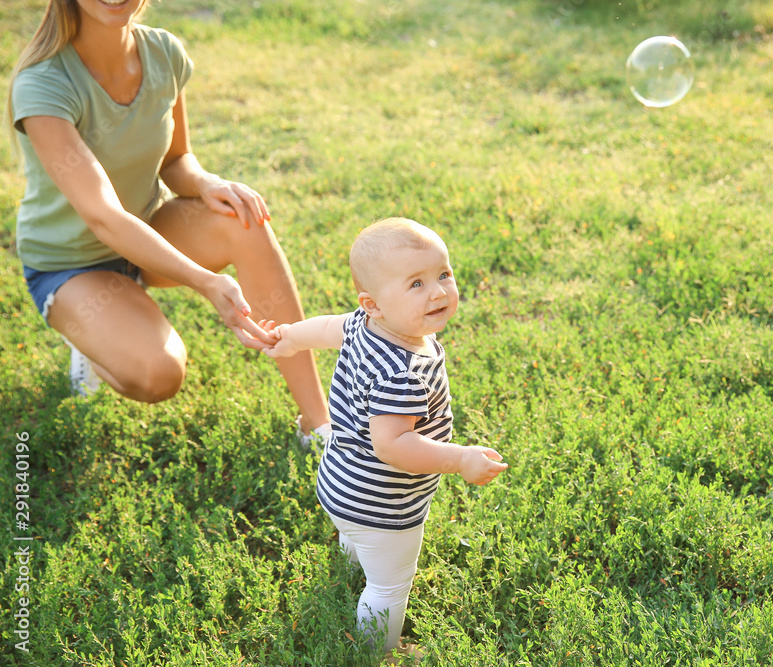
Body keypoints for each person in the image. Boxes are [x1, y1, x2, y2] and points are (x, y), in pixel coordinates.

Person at [5, 0, 329, 442]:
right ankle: (89, 339)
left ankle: (320, 426)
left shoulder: (164, 53)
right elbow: (103, 217)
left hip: (148, 228)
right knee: (160, 374)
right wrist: (204, 281)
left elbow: (177, 160)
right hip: (71, 264)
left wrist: (207, 183)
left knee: (244, 219)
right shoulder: (42, 84)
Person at [262, 217, 508, 658]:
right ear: (372, 303)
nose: (437, 291)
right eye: (416, 283)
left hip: (339, 481)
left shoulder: (364, 325)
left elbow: (324, 329)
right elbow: (393, 446)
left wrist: (290, 339)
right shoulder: (403, 372)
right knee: (390, 585)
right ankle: (378, 653)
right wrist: (460, 458)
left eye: (443, 274)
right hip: (382, 503)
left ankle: (350, 556)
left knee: (357, 539)